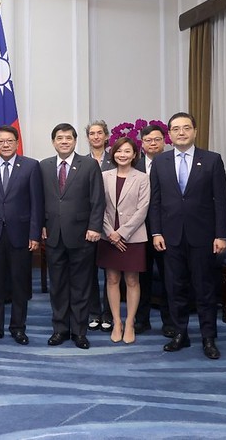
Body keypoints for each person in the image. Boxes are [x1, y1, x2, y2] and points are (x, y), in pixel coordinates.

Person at [149, 112, 226, 360]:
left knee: (204, 289)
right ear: (169, 135)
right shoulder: (160, 162)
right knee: (175, 288)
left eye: (186, 128)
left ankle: (208, 337)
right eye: (176, 129)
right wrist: (156, 231)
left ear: (195, 131)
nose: (181, 132)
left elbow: (221, 201)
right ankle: (180, 333)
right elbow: (155, 201)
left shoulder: (212, 160)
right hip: (170, 237)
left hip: (203, 237)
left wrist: (221, 234)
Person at [0, 125, 43, 346]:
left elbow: (36, 203)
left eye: (10, 141)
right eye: (1, 141)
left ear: (17, 143)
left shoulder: (31, 166)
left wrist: (34, 234)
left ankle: (18, 328)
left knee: (19, 284)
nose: (6, 145)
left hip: (20, 234)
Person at [40, 123, 104, 350]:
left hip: (83, 235)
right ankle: (60, 329)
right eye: (60, 138)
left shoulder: (89, 165)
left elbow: (98, 199)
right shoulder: (44, 166)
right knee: (57, 285)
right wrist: (41, 226)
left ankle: (79, 332)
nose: (64, 141)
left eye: (69, 137)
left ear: (76, 141)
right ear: (53, 142)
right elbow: (39, 200)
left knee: (80, 286)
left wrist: (95, 227)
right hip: (53, 235)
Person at [96, 137, 150, 344]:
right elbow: (98, 207)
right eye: (119, 151)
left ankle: (129, 323)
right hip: (108, 236)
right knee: (111, 279)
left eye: (127, 151)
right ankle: (117, 322)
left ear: (134, 154)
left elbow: (142, 210)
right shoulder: (104, 176)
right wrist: (110, 232)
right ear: (113, 153)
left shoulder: (142, 178)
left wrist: (122, 233)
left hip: (133, 237)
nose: (122, 155)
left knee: (132, 280)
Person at [133, 123, 176, 337]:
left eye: (157, 139)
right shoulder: (134, 165)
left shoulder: (172, 163)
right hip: (139, 231)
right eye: (148, 140)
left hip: (166, 231)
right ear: (142, 143)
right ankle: (142, 320)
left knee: (169, 277)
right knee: (141, 277)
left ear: (164, 141)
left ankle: (169, 322)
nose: (153, 143)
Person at [85, 120, 115, 332]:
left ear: (106, 136)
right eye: (92, 133)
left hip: (112, 223)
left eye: (99, 133)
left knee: (111, 272)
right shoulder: (82, 161)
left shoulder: (116, 159)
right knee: (89, 271)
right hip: (88, 224)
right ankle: (94, 311)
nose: (96, 136)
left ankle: (109, 313)